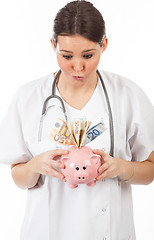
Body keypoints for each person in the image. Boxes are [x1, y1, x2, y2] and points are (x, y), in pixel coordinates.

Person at [0, 0, 154, 239]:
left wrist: (121, 167)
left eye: (88, 55)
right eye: (67, 55)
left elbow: (150, 170)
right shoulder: (28, 97)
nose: (78, 67)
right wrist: (34, 166)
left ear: (104, 44)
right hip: (46, 232)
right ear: (53, 45)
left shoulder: (127, 94)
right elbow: (18, 177)